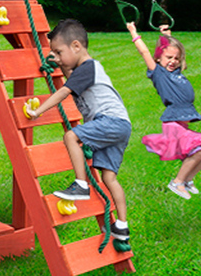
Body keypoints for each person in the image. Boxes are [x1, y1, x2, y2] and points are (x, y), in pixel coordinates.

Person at [25, 18, 132, 250]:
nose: (57, 56)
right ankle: (122, 227)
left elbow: (64, 91)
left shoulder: (88, 67)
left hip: (110, 122)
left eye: (59, 51)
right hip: (122, 125)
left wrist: (38, 111)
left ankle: (80, 184)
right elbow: (68, 73)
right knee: (109, 178)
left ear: (76, 46)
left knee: (71, 136)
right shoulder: (85, 69)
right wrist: (58, 63)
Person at [127, 21, 201, 199]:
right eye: (168, 58)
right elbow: (144, 52)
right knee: (199, 149)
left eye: (176, 58)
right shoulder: (158, 73)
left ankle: (187, 179)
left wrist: (167, 35)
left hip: (181, 125)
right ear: (158, 59)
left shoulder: (177, 74)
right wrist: (134, 32)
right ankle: (177, 182)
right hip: (172, 124)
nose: (173, 61)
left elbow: (171, 48)